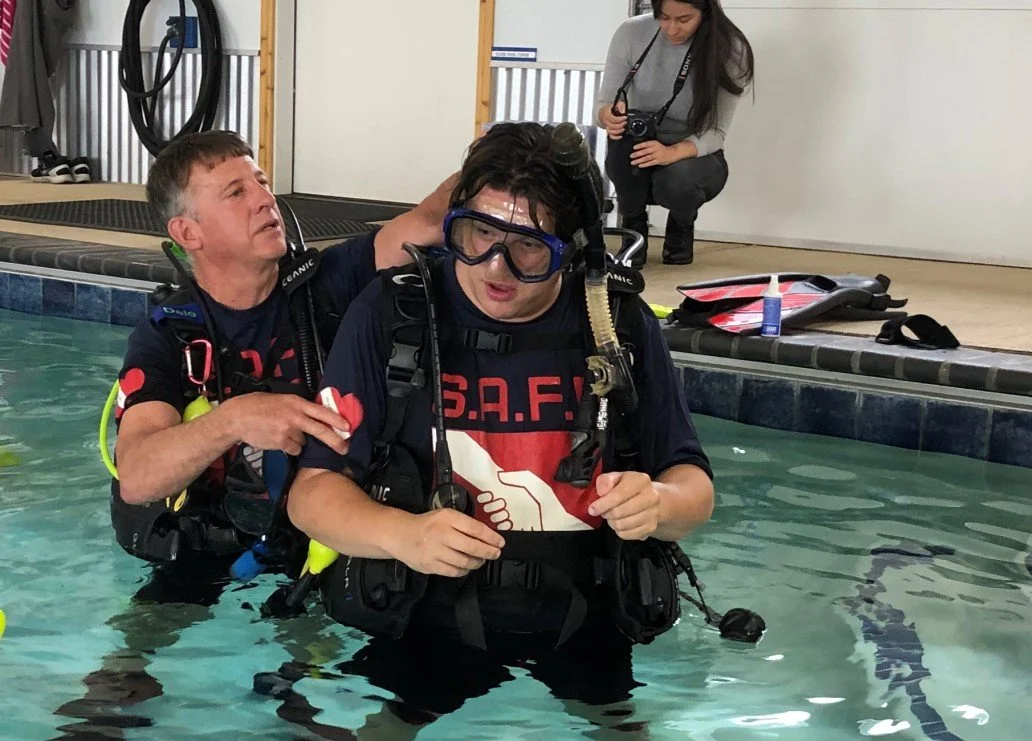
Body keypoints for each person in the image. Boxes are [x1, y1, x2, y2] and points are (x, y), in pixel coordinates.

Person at [285, 121, 715, 729]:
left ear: (576, 250)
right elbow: (311, 495)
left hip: (586, 616)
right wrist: (400, 534)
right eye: (478, 232)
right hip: (425, 611)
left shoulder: (616, 324)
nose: (496, 265)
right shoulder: (393, 314)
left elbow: (693, 486)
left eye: (530, 246)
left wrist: (661, 502)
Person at [52, 128, 454, 738]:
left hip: (320, 541)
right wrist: (238, 417)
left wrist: (495, 159)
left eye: (261, 181)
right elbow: (136, 475)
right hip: (208, 545)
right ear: (189, 233)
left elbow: (427, 221)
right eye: (236, 192)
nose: (266, 199)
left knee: (343, 703)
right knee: (111, 694)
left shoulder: (328, 280)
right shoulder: (171, 333)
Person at [596, 0, 754, 267]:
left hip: (694, 153)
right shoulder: (630, 33)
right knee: (621, 150)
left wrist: (672, 152)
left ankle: (682, 223)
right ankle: (633, 228)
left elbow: (716, 132)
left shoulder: (730, 47)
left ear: (705, 13)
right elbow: (602, 106)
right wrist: (608, 116)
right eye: (663, 17)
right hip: (639, 144)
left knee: (678, 180)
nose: (672, 29)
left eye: (684, 20)